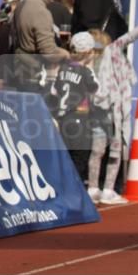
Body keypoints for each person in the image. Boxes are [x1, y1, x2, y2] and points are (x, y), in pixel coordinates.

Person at [88, 20, 138, 204]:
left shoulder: (87, 62)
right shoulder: (108, 53)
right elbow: (127, 38)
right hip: (113, 113)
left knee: (97, 151)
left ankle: (94, 188)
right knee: (114, 151)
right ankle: (107, 190)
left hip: (98, 112)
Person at [50, 31, 99, 186]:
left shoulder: (62, 68)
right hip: (80, 119)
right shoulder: (85, 71)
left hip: (63, 119)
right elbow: (98, 92)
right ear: (88, 53)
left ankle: (64, 189)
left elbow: (54, 91)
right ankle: (75, 192)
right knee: (80, 159)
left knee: (66, 159)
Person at [12, 0, 69, 91]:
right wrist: (66, 54)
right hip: (34, 79)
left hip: (22, 74)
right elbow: (49, 52)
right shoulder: (40, 11)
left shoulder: (23, 4)